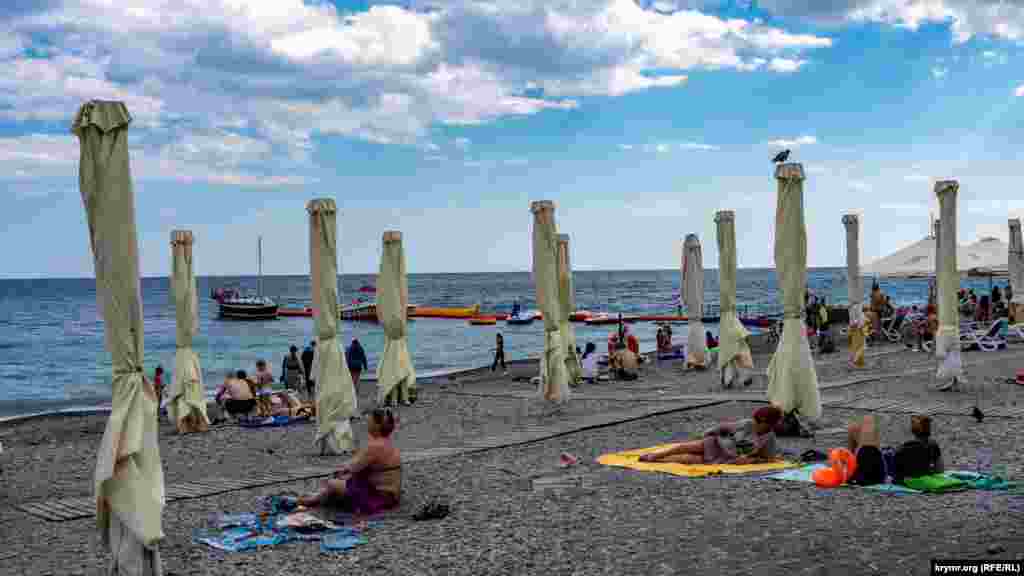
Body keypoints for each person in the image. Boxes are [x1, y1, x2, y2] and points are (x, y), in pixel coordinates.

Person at [298, 408, 401, 514]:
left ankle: (311, 500)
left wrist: (341, 471)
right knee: (342, 480)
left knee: (332, 484)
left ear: (377, 425)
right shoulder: (387, 442)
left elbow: (352, 468)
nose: (367, 423)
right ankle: (317, 497)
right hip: (390, 494)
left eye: (370, 421)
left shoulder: (375, 446)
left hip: (380, 496)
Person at [639, 406, 783, 464]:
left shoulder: (769, 437)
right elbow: (723, 427)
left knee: (688, 458)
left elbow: (768, 458)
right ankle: (656, 455)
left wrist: (752, 460)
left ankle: (657, 460)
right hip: (717, 443)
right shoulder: (747, 423)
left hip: (728, 456)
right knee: (685, 447)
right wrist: (707, 433)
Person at [893, 415, 944, 485]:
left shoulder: (902, 449)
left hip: (907, 482)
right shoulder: (933, 446)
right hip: (926, 481)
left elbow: (897, 474)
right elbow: (940, 470)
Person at [847, 415, 884, 486]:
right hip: (876, 457)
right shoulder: (875, 424)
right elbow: (878, 448)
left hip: (862, 455)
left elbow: (850, 453)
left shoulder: (852, 426)